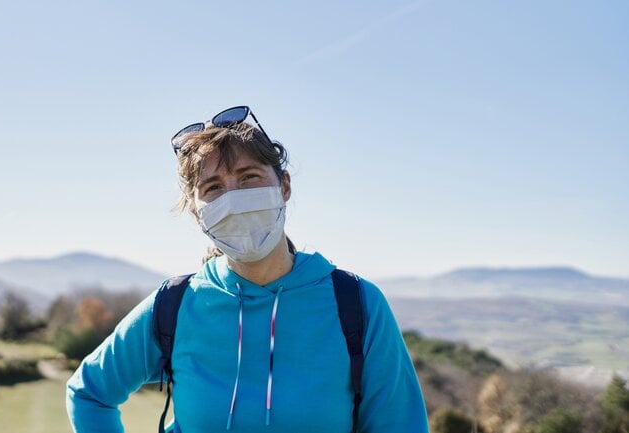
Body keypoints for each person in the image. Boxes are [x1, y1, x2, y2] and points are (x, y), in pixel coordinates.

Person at [66, 106, 428, 432]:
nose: (233, 199)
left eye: (249, 177)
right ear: (197, 212)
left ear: (284, 186)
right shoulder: (175, 305)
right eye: (213, 187)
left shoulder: (356, 304)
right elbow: (89, 393)